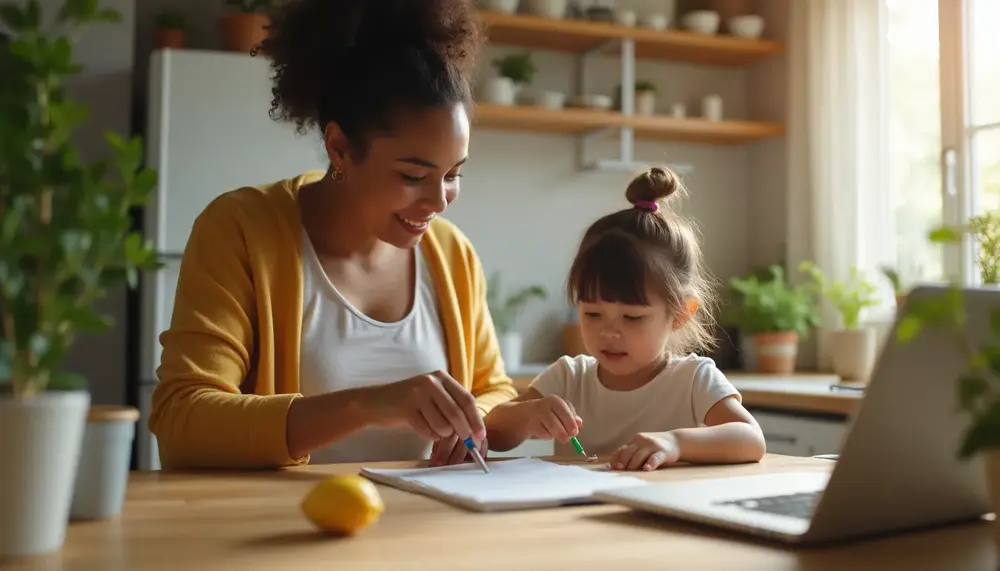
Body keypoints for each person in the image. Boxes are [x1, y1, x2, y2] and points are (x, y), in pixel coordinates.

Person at [149, 0, 518, 470]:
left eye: (452, 174)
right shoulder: (241, 230)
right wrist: (364, 405)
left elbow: (493, 390)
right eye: (412, 175)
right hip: (282, 532)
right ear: (339, 148)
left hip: (427, 533)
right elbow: (183, 421)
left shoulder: (452, 255)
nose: (439, 200)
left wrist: (479, 419)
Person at [484, 167, 766, 471]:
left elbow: (751, 440)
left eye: (631, 317)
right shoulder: (569, 377)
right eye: (592, 313)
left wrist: (676, 442)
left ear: (681, 313)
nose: (609, 332)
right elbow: (491, 433)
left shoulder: (692, 379)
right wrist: (528, 416)